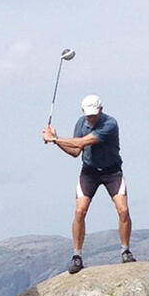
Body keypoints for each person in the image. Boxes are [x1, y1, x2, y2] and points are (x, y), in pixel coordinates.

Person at [42, 94, 134, 274]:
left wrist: (54, 139)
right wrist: (57, 140)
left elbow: (84, 141)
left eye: (94, 114)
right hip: (89, 171)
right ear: (83, 112)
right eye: (88, 115)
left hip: (112, 171)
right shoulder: (81, 123)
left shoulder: (110, 124)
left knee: (123, 209)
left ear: (101, 110)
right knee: (79, 210)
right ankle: (77, 256)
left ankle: (125, 251)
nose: (91, 118)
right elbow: (75, 151)